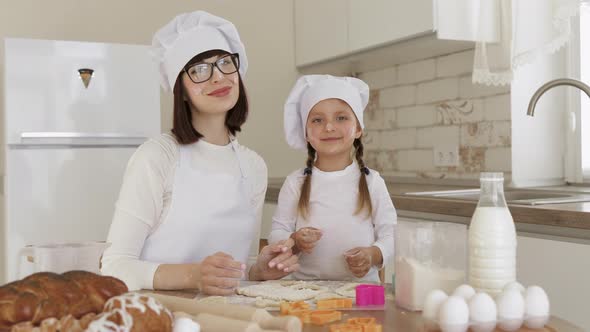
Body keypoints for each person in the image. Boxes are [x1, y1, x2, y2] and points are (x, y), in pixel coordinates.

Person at [101, 11, 298, 295]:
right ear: (180, 89)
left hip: (229, 319)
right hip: (161, 318)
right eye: (199, 69)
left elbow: (237, 267)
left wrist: (257, 270)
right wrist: (193, 275)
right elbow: (114, 266)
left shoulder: (253, 166)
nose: (218, 77)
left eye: (225, 63)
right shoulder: (157, 157)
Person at [269, 75, 396, 282]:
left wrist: (373, 254)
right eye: (317, 120)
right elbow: (278, 230)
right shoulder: (296, 183)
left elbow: (391, 234)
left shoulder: (372, 182)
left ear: (358, 129)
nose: (329, 127)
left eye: (341, 118)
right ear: (306, 133)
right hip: (304, 294)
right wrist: (294, 241)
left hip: (361, 296)